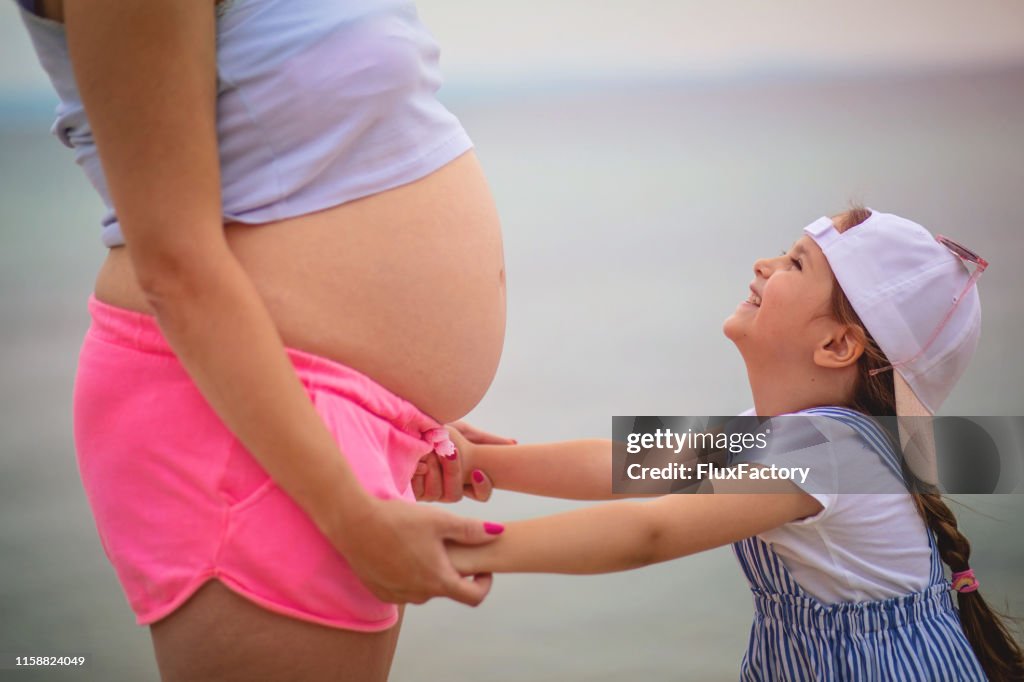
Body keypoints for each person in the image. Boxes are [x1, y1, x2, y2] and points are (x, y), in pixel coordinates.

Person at [16, 0, 511, 679]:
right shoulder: (711, 464)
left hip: (336, 413)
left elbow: (671, 510)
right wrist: (353, 516)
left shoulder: (713, 467)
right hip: (245, 427)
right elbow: (176, 264)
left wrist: (405, 411)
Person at [436, 208, 1024, 681]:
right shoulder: (805, 437)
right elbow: (619, 463)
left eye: (796, 263)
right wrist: (482, 463)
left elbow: (651, 532)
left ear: (839, 345)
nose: (764, 264)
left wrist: (458, 553)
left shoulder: (826, 451)